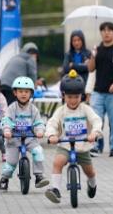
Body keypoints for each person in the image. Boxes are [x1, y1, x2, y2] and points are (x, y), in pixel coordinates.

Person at [44, 70, 103, 204]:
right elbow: (52, 123)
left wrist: (94, 133)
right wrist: (52, 135)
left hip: (83, 145)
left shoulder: (85, 109)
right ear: (63, 96)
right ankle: (55, 189)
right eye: (69, 97)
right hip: (65, 144)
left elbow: (96, 120)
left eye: (76, 97)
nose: (72, 100)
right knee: (57, 162)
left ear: (81, 96)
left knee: (90, 171)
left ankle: (92, 184)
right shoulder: (61, 111)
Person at [0, 76, 49, 191]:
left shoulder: (33, 109)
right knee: (10, 163)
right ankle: (4, 179)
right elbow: (7, 120)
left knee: (38, 152)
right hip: (14, 139)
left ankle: (39, 176)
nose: (23, 94)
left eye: (26, 91)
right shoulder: (12, 108)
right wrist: (7, 130)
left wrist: (40, 130)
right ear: (15, 93)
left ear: (31, 93)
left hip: (30, 139)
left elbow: (38, 122)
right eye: (20, 91)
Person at [87, 22, 113, 157]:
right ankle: (97, 145)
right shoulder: (97, 49)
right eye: (103, 30)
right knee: (96, 119)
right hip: (98, 91)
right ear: (100, 33)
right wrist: (92, 56)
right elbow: (91, 68)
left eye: (110, 30)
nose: (106, 32)